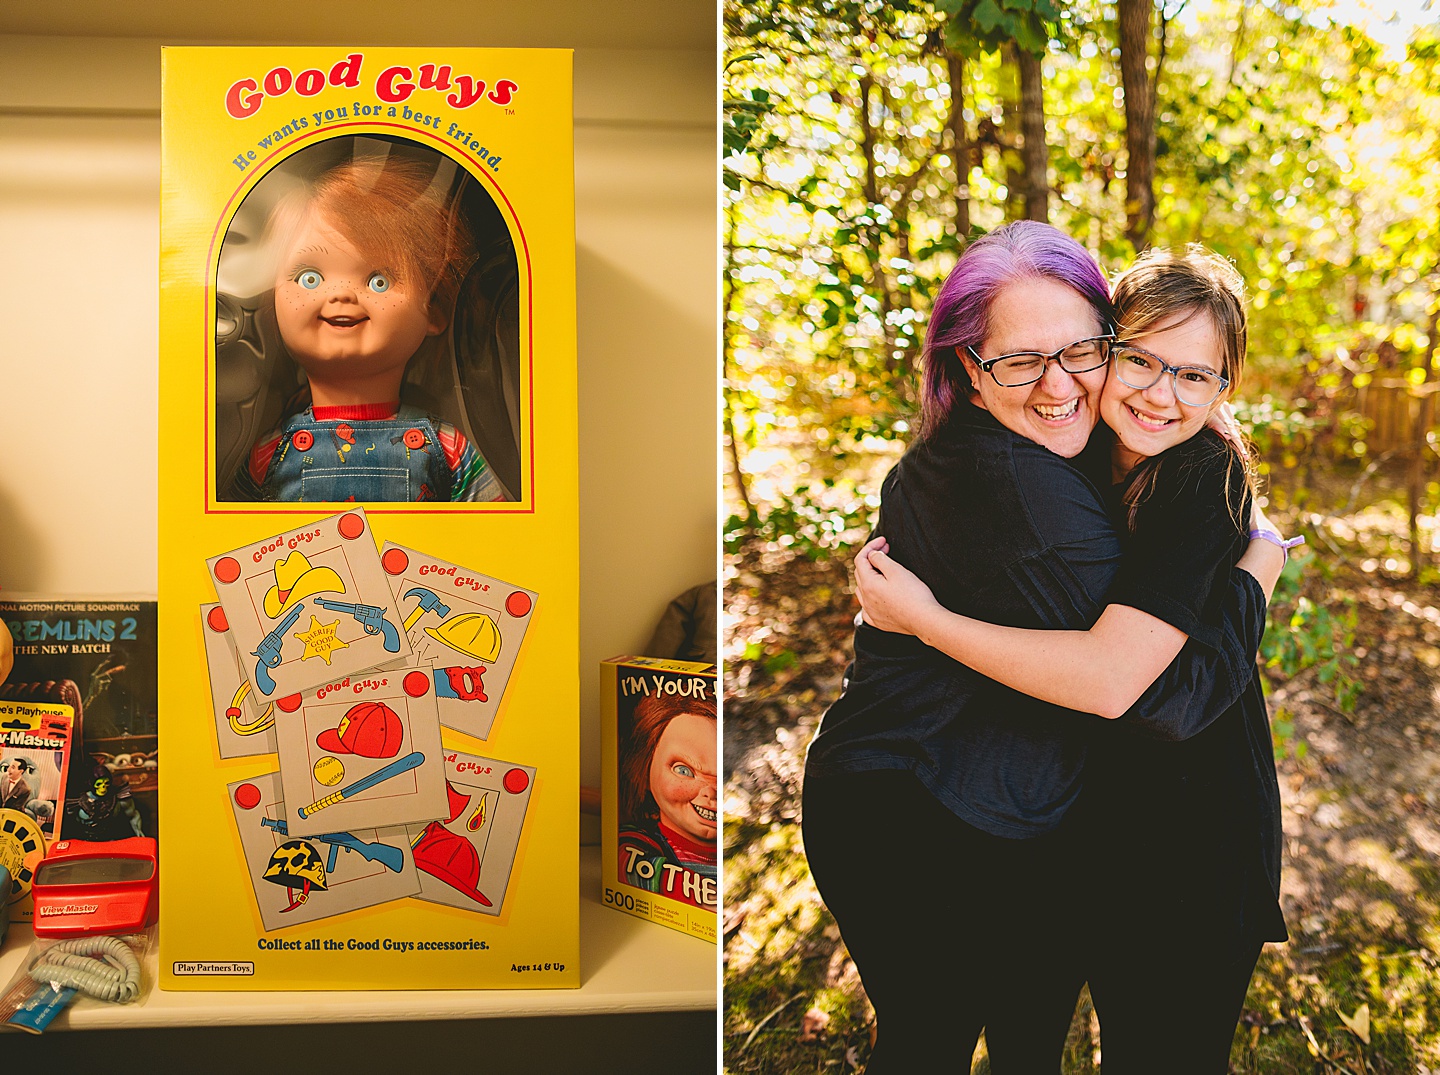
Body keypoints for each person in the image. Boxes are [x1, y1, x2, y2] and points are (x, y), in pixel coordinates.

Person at [802, 222, 1288, 1073]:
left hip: (1145, 824)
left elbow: (1141, 691)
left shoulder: (1173, 474)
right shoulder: (1044, 474)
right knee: (993, 1034)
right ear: (968, 369)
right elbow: (1136, 688)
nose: (1062, 384)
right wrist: (1257, 572)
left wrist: (1255, 569)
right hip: (1001, 814)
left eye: (1082, 351)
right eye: (1139, 360)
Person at [230, 156, 510, 503]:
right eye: (309, 277)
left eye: (379, 281)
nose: (341, 294)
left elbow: (498, 546)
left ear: (433, 309)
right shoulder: (268, 454)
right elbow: (226, 545)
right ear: (272, 305)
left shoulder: (450, 450)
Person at [618, 692, 718, 910]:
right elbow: (626, 865)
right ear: (644, 769)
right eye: (684, 770)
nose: (710, 792)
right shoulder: (638, 842)